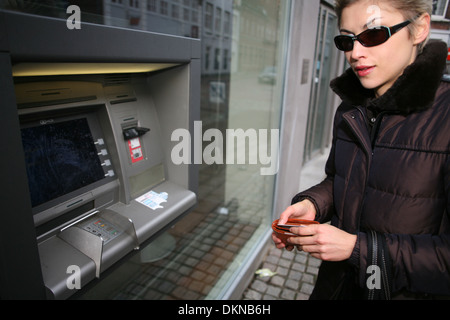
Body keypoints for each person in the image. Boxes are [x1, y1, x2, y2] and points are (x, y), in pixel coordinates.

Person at [273, 0, 450, 300]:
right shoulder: (349, 108)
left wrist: (358, 249)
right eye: (346, 39)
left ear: (419, 28)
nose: (355, 53)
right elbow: (339, 179)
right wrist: (313, 205)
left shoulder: (444, 117)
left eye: (373, 34)